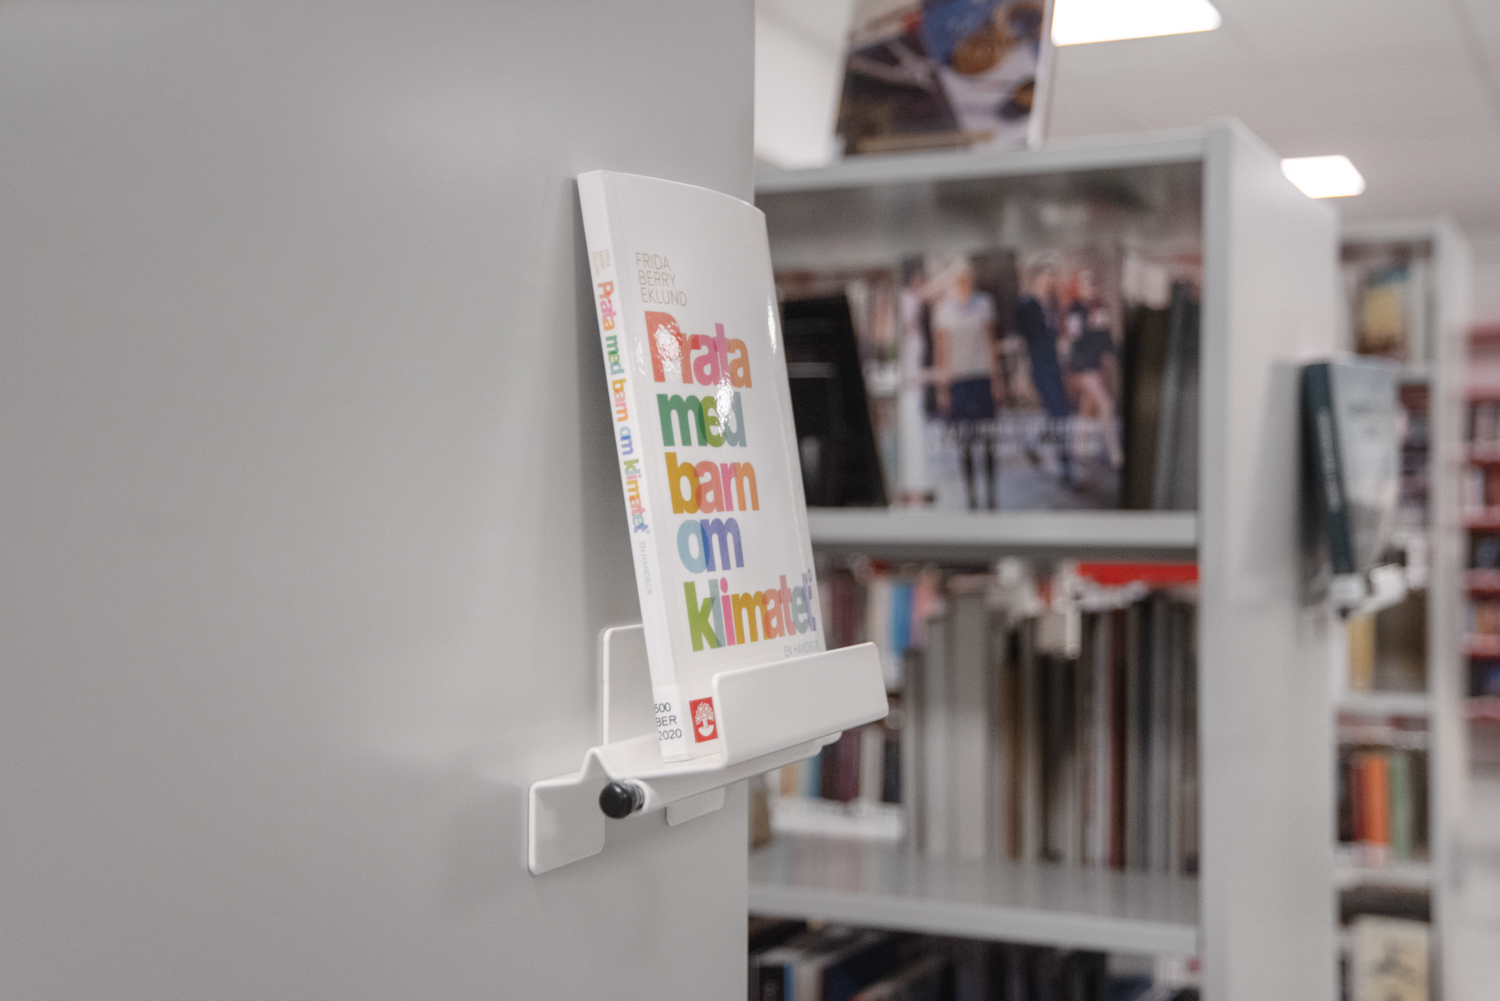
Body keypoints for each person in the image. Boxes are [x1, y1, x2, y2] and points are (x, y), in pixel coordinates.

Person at [932, 260, 1001, 509]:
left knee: (988, 438)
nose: (964, 283)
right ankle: (972, 497)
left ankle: (991, 495)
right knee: (965, 442)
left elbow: (990, 343)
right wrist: (942, 387)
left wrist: (997, 379)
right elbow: (941, 350)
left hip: (981, 377)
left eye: (968, 278)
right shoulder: (943, 310)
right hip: (958, 381)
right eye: (960, 279)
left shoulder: (984, 304)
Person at [1013, 260, 1072, 483]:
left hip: (1056, 366)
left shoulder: (1054, 304)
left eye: (1052, 277)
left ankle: (1036, 445)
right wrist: (1019, 374)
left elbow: (1059, 333)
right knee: (1060, 414)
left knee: (1056, 414)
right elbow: (1018, 339)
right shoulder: (1026, 305)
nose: (1051, 281)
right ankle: (1065, 466)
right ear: (1038, 278)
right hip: (1039, 367)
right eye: (1047, 276)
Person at [1064, 267, 1124, 468]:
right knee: (1106, 405)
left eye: (1092, 281)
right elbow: (1075, 339)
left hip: (1097, 365)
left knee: (1087, 406)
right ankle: (1114, 451)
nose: (1089, 285)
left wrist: (1113, 357)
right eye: (1085, 281)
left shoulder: (1099, 307)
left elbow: (1105, 338)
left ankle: (1078, 447)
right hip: (1082, 366)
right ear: (1078, 285)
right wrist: (1091, 324)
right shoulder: (1074, 309)